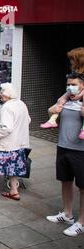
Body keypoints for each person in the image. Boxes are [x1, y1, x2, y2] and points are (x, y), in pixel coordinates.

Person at [46, 72, 84, 237]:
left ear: (82, 85)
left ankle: (81, 223)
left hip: (81, 150)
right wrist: (52, 110)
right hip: (63, 146)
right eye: (69, 84)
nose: (70, 86)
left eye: (74, 84)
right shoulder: (66, 99)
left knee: (83, 187)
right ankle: (67, 214)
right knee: (65, 181)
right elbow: (51, 113)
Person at [40, 47, 84, 139]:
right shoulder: (75, 70)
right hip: (75, 93)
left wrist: (79, 94)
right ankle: (52, 120)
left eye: (72, 59)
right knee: (60, 101)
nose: (71, 61)